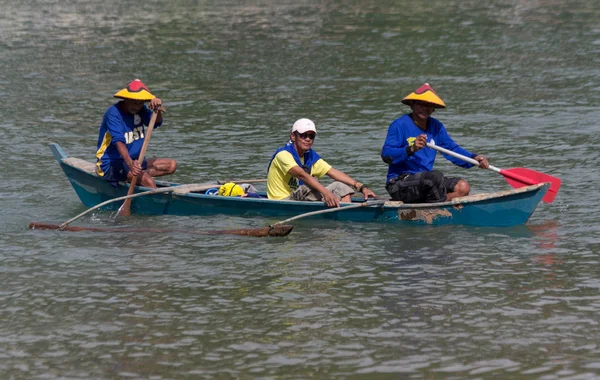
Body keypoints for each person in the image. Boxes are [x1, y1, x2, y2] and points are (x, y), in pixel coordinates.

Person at [381, 83, 489, 203]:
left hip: (426, 182)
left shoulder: (436, 126)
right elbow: (386, 155)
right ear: (412, 105)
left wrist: (474, 158)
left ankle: (434, 203)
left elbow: (451, 149)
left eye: (429, 105)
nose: (425, 108)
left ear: (433, 109)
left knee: (462, 187)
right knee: (434, 177)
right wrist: (411, 149)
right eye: (421, 104)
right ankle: (437, 209)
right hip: (399, 183)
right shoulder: (399, 125)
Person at [267, 118, 376, 207]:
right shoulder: (283, 155)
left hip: (300, 197)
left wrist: (361, 187)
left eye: (311, 136)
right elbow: (302, 175)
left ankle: (345, 222)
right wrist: (326, 193)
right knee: (308, 187)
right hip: (283, 200)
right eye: (303, 135)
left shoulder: (310, 156)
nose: (308, 139)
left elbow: (333, 172)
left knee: (340, 186)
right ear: (293, 136)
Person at [95, 79, 177, 188]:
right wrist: (130, 164)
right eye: (134, 102)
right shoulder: (113, 113)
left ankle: (137, 178)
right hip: (112, 164)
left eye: (140, 103)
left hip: (136, 161)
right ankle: (143, 185)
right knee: (150, 183)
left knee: (171, 165)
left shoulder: (141, 110)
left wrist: (157, 109)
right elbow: (118, 141)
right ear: (126, 99)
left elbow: (156, 122)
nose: (137, 106)